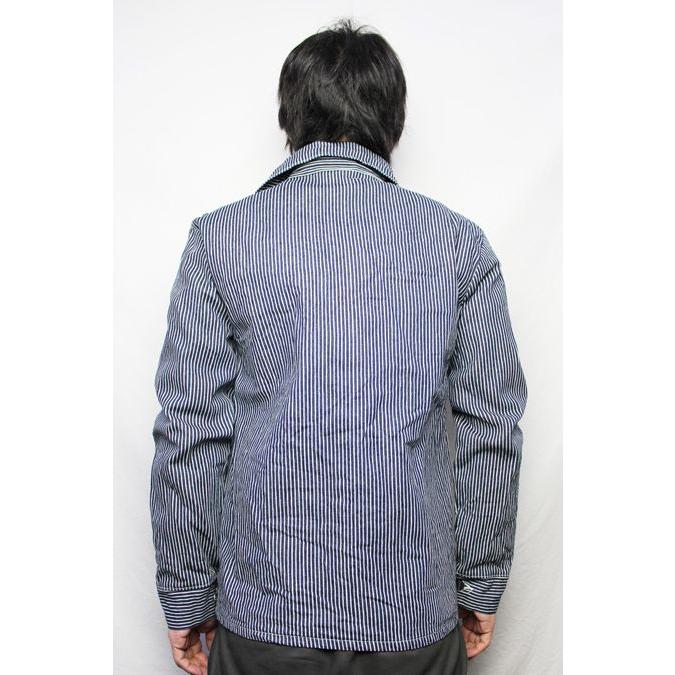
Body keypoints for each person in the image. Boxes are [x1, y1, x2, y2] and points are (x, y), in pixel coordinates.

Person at [150, 17, 527, 675]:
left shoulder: (220, 240)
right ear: (393, 125)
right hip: (411, 617)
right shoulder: (458, 245)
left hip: (265, 618)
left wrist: (186, 592)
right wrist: (480, 581)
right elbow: (490, 426)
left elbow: (190, 430)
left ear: (289, 119)